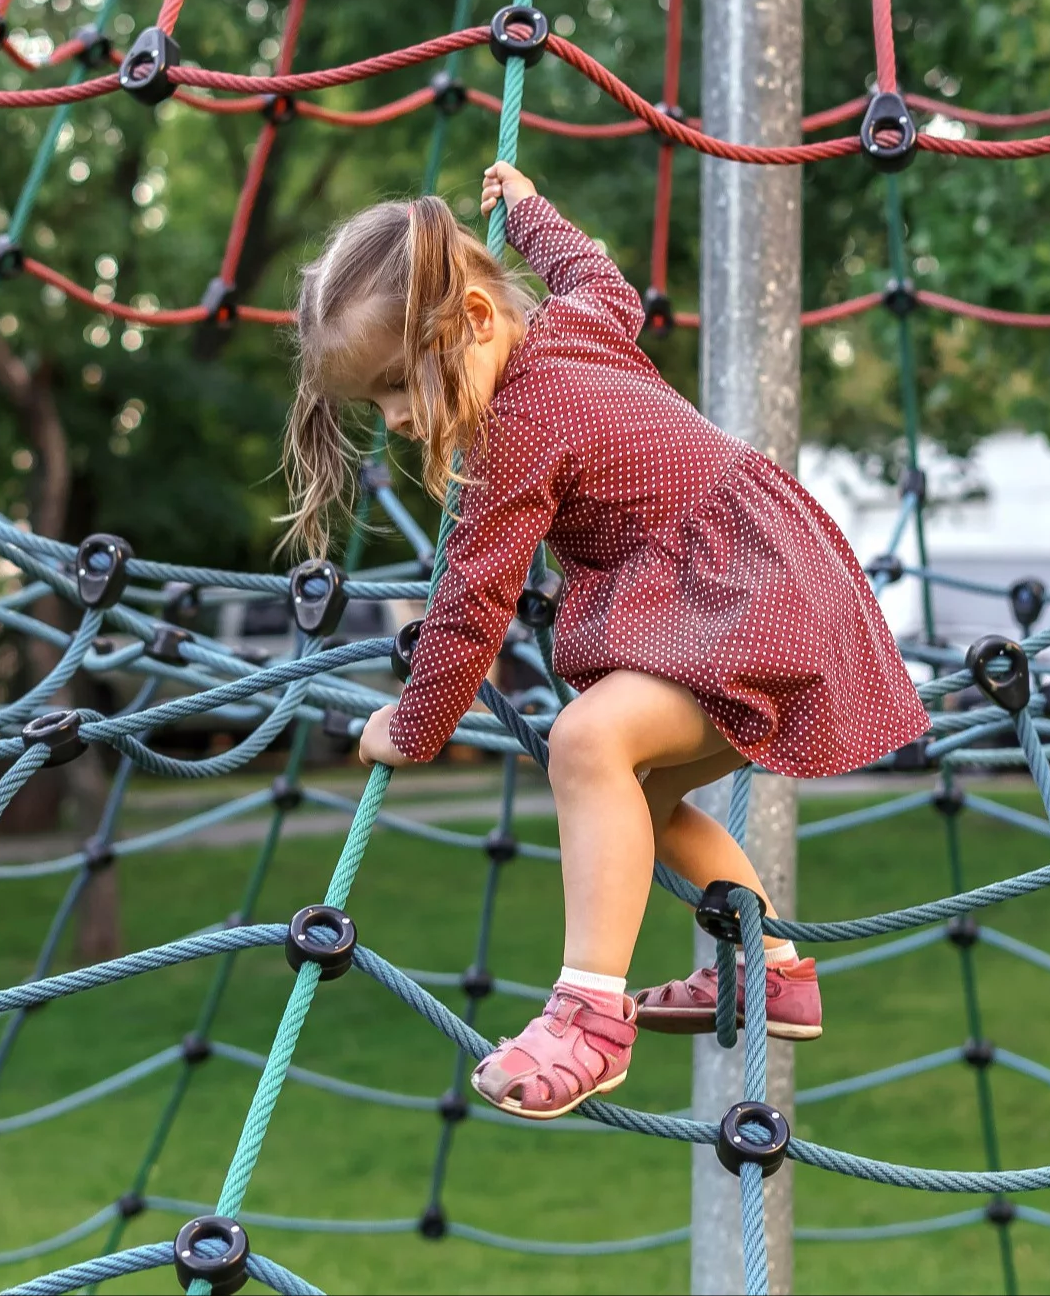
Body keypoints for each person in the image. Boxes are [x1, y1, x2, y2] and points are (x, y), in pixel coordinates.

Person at [284, 161, 928, 1119]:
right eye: (376, 404)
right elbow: (603, 280)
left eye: (397, 385)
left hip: (737, 602)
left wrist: (412, 728)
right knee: (643, 800)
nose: (404, 418)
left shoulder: (518, 430)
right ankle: (774, 972)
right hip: (762, 583)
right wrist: (536, 213)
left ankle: (589, 1016)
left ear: (470, 316)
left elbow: (472, 603)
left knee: (586, 740)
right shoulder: (570, 329)